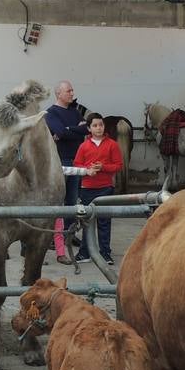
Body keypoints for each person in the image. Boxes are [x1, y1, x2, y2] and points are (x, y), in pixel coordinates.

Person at [44, 81, 89, 264]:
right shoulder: (51, 113)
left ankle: (69, 235)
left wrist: (71, 130)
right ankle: (53, 238)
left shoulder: (75, 111)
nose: (72, 93)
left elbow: (84, 130)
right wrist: (72, 130)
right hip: (60, 162)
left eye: (72, 90)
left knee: (72, 200)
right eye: (69, 91)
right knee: (57, 202)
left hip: (76, 161)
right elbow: (60, 131)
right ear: (58, 93)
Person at [72, 114, 122, 266]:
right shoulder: (83, 146)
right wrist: (87, 169)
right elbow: (76, 164)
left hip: (106, 188)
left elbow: (118, 165)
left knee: (104, 222)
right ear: (89, 128)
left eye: (101, 125)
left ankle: (105, 253)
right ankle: (84, 253)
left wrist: (103, 167)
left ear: (104, 126)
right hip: (87, 188)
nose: (98, 128)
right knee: (87, 222)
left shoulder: (112, 144)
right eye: (95, 126)